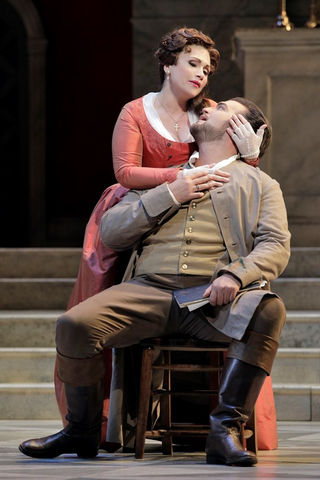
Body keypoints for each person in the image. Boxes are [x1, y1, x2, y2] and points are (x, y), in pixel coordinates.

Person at [19, 97, 290, 466]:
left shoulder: (260, 184)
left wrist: (235, 273)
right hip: (148, 291)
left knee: (269, 310)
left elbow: (275, 246)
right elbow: (111, 232)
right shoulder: (163, 176)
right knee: (74, 325)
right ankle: (80, 431)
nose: (208, 105)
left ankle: (224, 430)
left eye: (223, 106)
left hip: (212, 297)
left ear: (239, 129)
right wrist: (170, 192)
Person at [56, 26, 269, 452]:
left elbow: (232, 166)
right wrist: (179, 177)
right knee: (90, 313)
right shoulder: (137, 111)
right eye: (192, 64)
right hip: (139, 207)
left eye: (207, 69)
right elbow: (126, 173)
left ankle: (207, 421)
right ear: (168, 64)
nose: (201, 75)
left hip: (196, 217)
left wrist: (251, 157)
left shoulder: (206, 112)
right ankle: (92, 426)